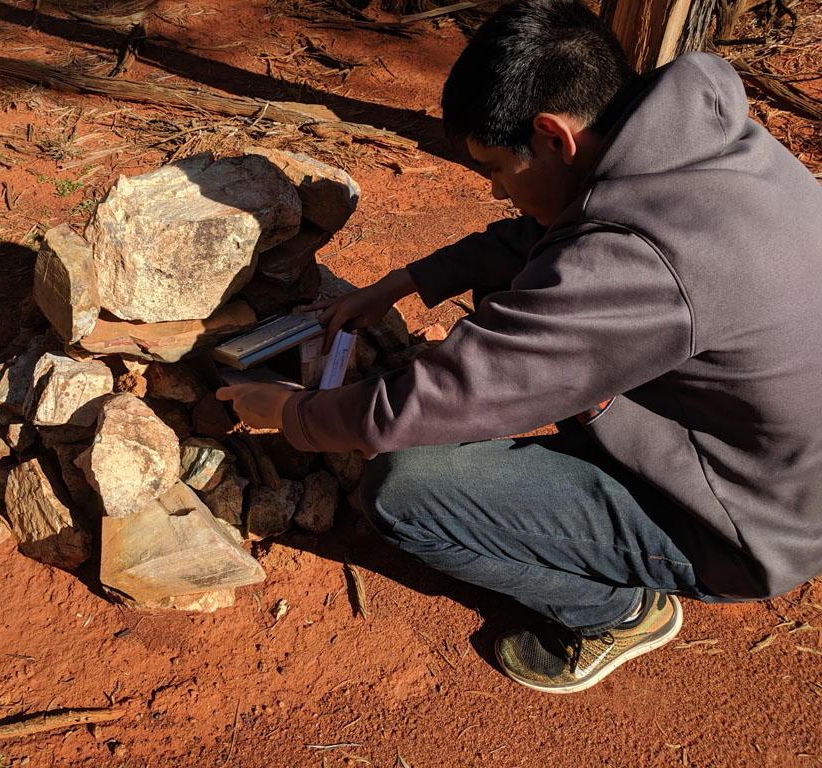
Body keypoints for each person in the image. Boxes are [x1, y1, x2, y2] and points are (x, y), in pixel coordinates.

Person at [217, 0, 822, 693]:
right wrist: (403, 282)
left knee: (406, 491)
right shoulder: (691, 138)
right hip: (778, 464)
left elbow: (455, 393)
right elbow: (568, 233)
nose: (500, 191)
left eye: (498, 170)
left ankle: (619, 613)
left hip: (746, 527)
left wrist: (291, 416)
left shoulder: (643, 261)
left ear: (553, 136)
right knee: (506, 296)